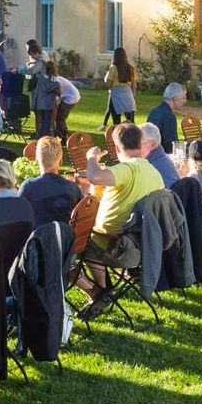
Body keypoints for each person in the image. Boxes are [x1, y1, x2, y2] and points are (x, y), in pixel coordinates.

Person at [77, 126, 164, 307]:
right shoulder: (154, 172)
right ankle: (104, 291)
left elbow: (94, 176)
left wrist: (91, 157)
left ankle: (101, 291)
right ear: (140, 144)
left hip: (115, 246)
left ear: (116, 148)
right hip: (143, 243)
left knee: (81, 240)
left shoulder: (128, 169)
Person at [20, 134, 82, 227]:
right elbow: (81, 215)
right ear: (60, 161)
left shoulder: (29, 186)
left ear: (36, 160)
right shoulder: (73, 187)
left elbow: (17, 214)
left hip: (36, 239)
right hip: (66, 238)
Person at [138, 121, 180, 192]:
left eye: (137, 143)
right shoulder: (162, 157)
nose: (134, 147)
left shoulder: (151, 168)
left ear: (152, 144)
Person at [147, 83, 186, 154]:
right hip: (161, 156)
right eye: (183, 98)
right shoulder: (169, 116)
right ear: (175, 98)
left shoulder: (154, 111)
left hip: (149, 153)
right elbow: (172, 145)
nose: (185, 101)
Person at [105, 46, 137, 123]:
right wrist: (132, 96)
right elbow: (134, 85)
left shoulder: (113, 68)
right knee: (130, 121)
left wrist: (110, 88)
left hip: (116, 93)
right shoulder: (131, 68)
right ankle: (133, 134)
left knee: (116, 121)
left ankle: (117, 133)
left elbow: (108, 82)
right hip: (127, 93)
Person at [31, 58, 61, 139]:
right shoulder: (55, 80)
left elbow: (36, 91)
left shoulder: (41, 78)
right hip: (49, 105)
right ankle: (47, 138)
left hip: (40, 104)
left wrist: (34, 104)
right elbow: (59, 93)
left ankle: (39, 137)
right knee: (48, 123)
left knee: (42, 123)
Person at [53, 67, 81, 137]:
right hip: (69, 96)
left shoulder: (55, 80)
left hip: (71, 98)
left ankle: (61, 136)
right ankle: (63, 134)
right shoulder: (55, 78)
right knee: (60, 116)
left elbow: (56, 95)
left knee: (60, 117)